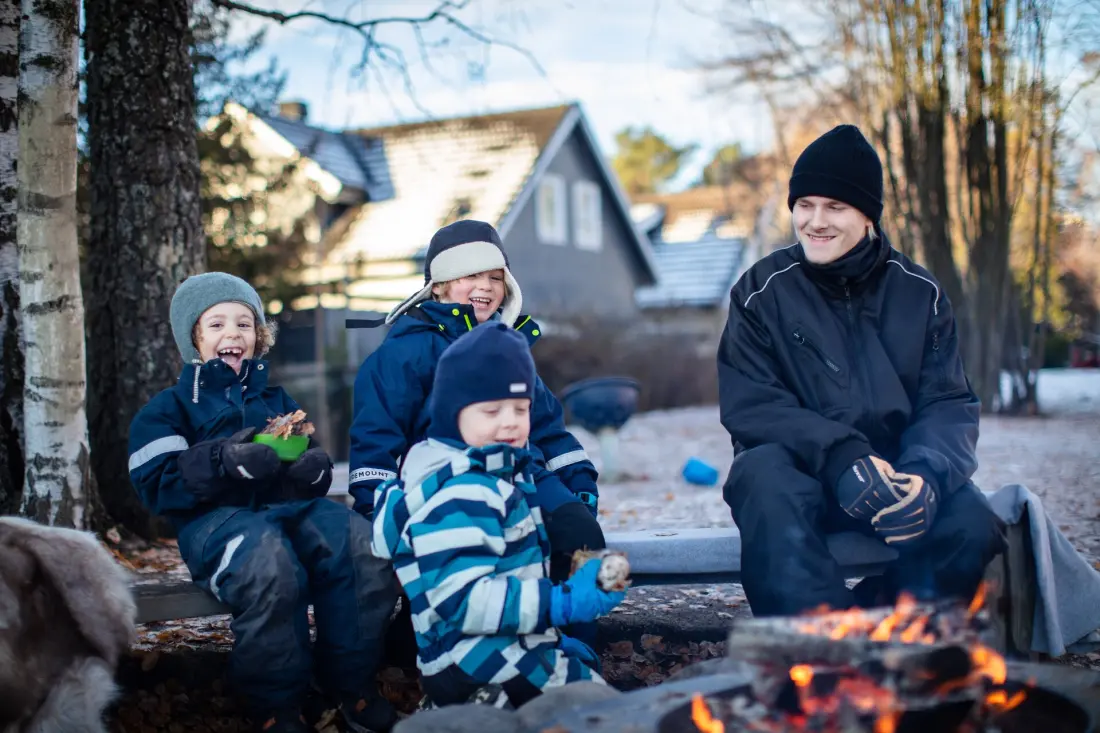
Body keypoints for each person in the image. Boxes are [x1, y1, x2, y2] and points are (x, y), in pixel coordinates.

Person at [718, 124, 1007, 617]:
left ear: (868, 215)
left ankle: (889, 636)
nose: (815, 221)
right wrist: (840, 457)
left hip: (894, 477)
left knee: (974, 523)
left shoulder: (921, 292)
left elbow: (948, 401)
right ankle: (821, 650)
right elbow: (753, 404)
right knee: (758, 475)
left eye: (835, 207)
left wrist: (926, 477)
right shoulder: (762, 291)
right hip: (803, 476)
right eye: (804, 204)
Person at [128, 273, 399, 733]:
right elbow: (157, 482)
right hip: (216, 526)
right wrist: (222, 461)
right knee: (268, 560)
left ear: (258, 336)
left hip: (286, 513)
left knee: (361, 544)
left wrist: (310, 470)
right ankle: (276, 705)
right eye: (216, 325)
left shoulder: (275, 400)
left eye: (244, 323)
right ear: (193, 339)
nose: (232, 333)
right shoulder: (167, 409)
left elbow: (308, 457)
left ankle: (346, 684)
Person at [371, 322, 625, 709]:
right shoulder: (462, 493)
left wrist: (548, 637)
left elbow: (504, 574)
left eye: (520, 409)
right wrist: (561, 603)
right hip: (484, 668)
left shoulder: (494, 476)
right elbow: (462, 601)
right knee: (600, 711)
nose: (509, 421)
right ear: (452, 413)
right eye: (492, 410)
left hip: (500, 650)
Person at [348, 219, 606, 587]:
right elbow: (375, 438)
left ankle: (567, 638)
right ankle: (427, 641)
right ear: (438, 287)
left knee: (582, 539)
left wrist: (578, 481)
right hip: (448, 486)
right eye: (470, 275)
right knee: (463, 576)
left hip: (526, 476)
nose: (485, 286)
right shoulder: (402, 355)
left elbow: (548, 425)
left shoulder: (509, 349)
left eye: (495, 277)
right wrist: (379, 510)